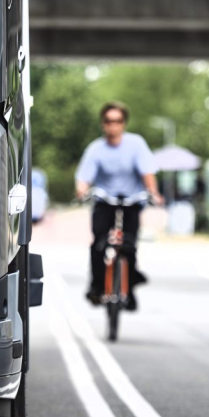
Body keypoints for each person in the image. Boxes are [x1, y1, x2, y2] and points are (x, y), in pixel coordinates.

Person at [75, 102, 164, 310]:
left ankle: (130, 288)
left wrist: (154, 193)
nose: (112, 125)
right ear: (102, 124)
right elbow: (84, 177)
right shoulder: (96, 149)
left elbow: (147, 173)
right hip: (105, 200)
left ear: (123, 124)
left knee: (130, 245)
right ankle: (96, 287)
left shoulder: (136, 144)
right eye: (108, 121)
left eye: (117, 121)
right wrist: (81, 190)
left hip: (132, 200)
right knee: (98, 243)